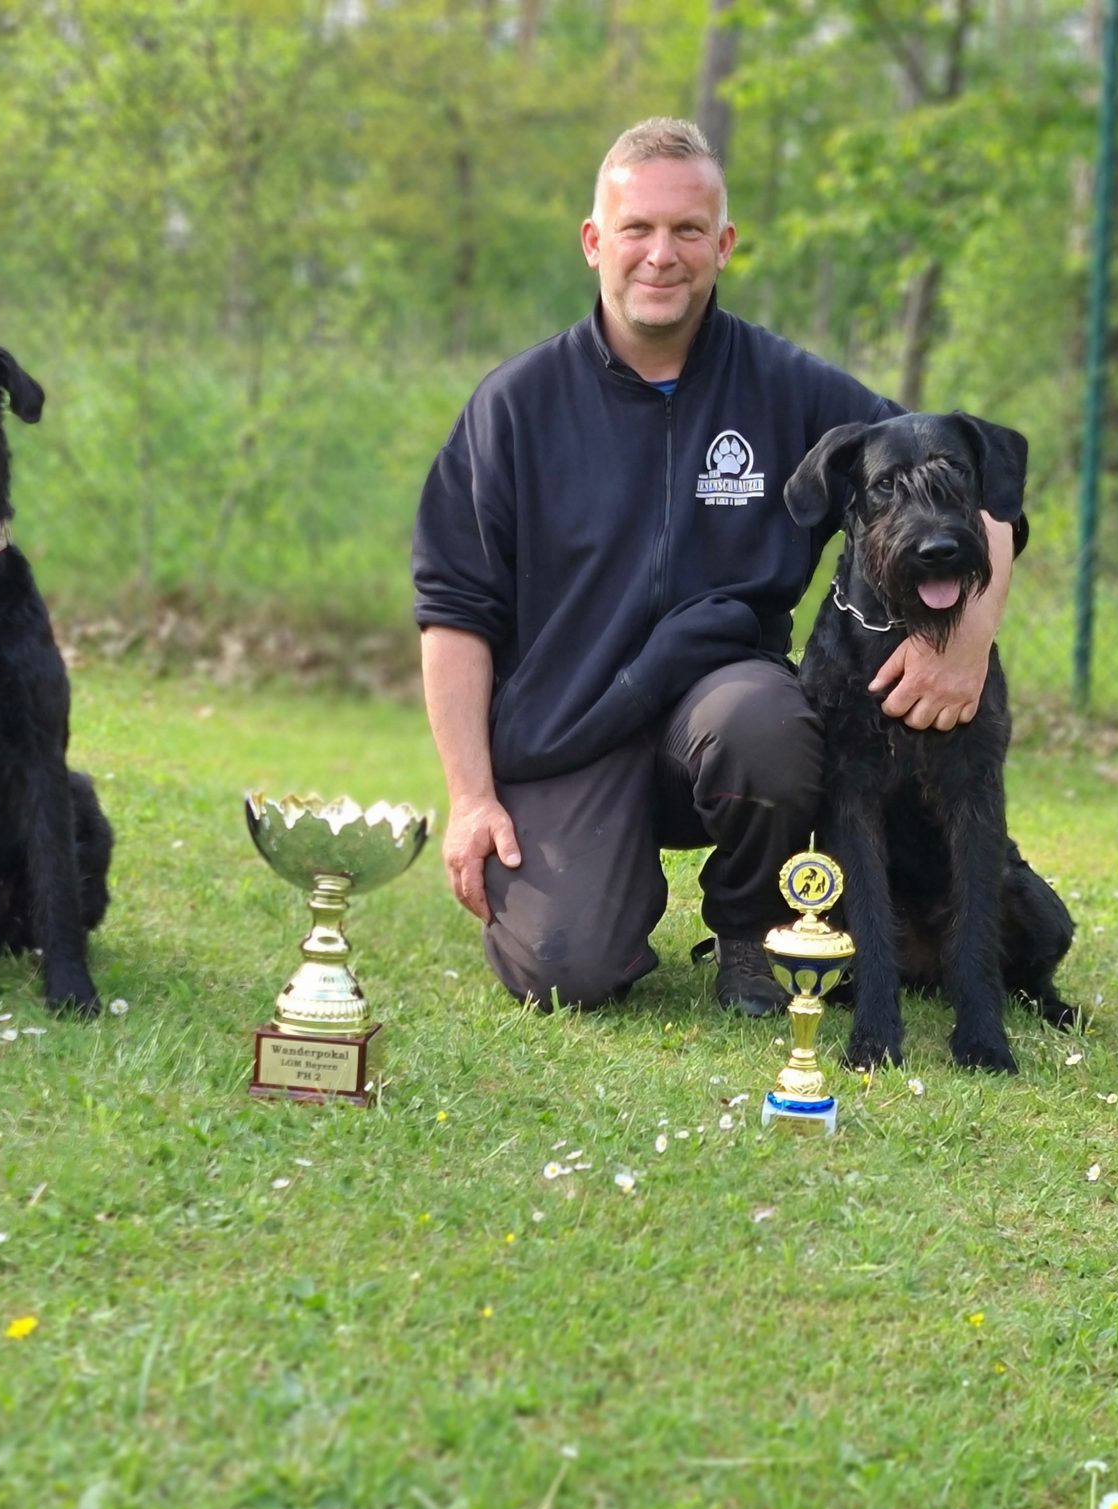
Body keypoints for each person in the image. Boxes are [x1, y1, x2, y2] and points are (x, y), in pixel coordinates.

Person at [411, 118, 1019, 1015]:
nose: (662, 255)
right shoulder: (514, 407)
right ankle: (598, 895)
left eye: (688, 230)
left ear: (724, 244)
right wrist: (471, 798)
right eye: (638, 229)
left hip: (721, 715)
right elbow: (453, 611)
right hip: (565, 730)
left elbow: (979, 492)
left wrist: (966, 642)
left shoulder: (789, 386)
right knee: (567, 970)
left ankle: (748, 928)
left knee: (771, 723)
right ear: (594, 242)